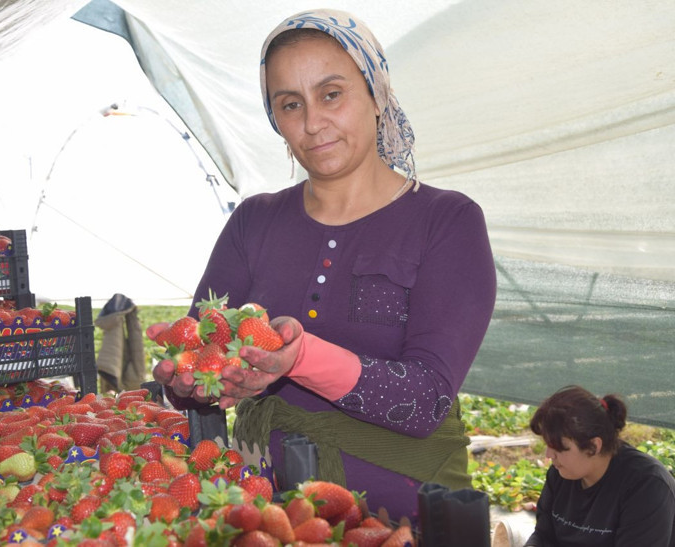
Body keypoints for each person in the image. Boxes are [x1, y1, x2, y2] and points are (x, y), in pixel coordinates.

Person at [152, 8, 496, 524]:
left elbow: (425, 400)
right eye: (290, 105)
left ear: (377, 93)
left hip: (401, 521)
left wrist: (297, 359)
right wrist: (192, 382)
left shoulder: (446, 221)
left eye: (331, 94)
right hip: (266, 517)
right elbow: (198, 354)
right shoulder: (255, 220)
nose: (313, 124)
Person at [523, 385, 675, 546]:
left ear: (594, 446)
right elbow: (544, 536)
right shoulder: (562, 473)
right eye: (548, 445)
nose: (549, 455)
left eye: (560, 448)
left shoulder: (647, 486)